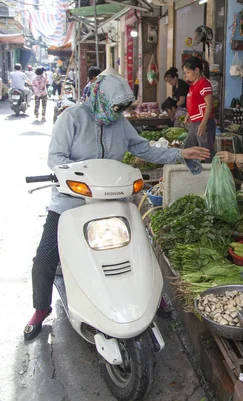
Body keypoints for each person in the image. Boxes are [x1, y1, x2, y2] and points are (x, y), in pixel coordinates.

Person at [24, 71, 211, 341]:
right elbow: (56, 158)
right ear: (100, 98)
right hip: (70, 200)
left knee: (142, 247)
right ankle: (40, 309)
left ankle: (154, 299)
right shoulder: (71, 118)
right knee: (45, 257)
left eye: (124, 107)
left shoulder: (120, 124)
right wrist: (76, 177)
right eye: (117, 107)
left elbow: (143, 149)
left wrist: (181, 153)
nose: (120, 112)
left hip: (113, 200)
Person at [183, 57, 216, 160]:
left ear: (196, 70)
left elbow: (209, 104)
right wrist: (189, 114)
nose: (186, 75)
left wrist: (204, 123)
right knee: (188, 150)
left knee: (206, 153)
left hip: (202, 123)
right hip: (194, 122)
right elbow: (195, 103)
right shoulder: (193, 85)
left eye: (188, 72)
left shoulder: (204, 83)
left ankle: (211, 173)